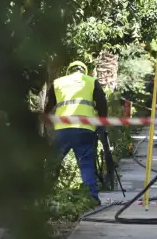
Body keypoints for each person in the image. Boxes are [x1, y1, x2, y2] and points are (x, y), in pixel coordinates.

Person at [44, 61, 109, 205]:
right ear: (84, 71)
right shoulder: (91, 81)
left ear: (68, 71)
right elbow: (102, 102)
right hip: (85, 129)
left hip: (62, 130)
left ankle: (44, 195)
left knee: (53, 162)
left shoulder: (58, 82)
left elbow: (49, 104)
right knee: (86, 164)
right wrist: (102, 123)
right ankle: (91, 198)